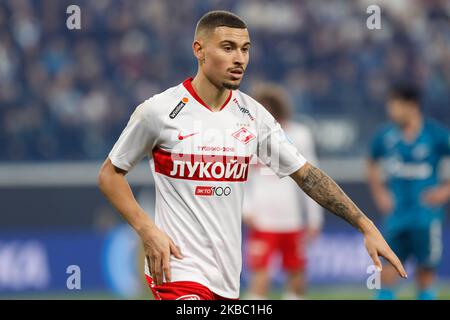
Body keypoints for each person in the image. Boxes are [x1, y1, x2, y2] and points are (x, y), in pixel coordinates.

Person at [98, 10, 407, 300]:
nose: (239, 59)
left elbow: (307, 175)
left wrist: (365, 225)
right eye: (228, 47)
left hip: (227, 276)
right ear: (199, 49)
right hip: (176, 269)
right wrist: (148, 230)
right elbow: (110, 174)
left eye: (245, 49)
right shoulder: (159, 111)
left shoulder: (253, 116)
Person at [367, 84, 450, 300]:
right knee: (387, 273)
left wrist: (445, 191)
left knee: (425, 276)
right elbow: (371, 162)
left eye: (395, 106)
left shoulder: (435, 134)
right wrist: (380, 193)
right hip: (396, 217)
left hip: (426, 217)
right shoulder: (384, 136)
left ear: (412, 106)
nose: (390, 111)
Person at [242, 84, 323, 300]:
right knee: (260, 275)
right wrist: (245, 208)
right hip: (261, 220)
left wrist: (314, 218)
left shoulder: (299, 135)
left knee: (296, 276)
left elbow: (311, 179)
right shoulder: (246, 136)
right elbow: (240, 178)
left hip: (292, 219)